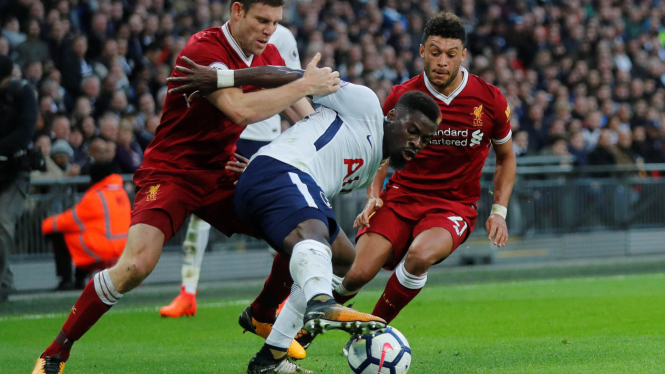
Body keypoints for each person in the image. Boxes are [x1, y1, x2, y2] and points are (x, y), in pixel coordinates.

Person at [31, 0, 340, 372]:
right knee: (135, 267)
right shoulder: (203, 51)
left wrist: (329, 140)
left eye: (275, 22)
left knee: (301, 232)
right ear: (237, 10)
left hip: (222, 171)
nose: (268, 30)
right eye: (262, 20)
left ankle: (260, 314)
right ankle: (56, 351)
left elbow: (300, 113)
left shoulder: (268, 53)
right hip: (172, 171)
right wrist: (303, 83)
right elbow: (240, 110)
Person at [169, 62, 441, 373]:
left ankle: (270, 359)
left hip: (276, 181)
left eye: (424, 141)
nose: (416, 143)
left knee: (342, 255)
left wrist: (264, 179)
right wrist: (222, 78)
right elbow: (295, 77)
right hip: (280, 172)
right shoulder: (365, 105)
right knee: (315, 235)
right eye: (413, 131)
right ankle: (321, 302)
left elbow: (311, 147)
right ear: (392, 117)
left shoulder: (369, 169)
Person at [328, 12, 517, 353]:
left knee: (419, 255)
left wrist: (499, 211)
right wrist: (373, 194)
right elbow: (381, 152)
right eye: (434, 52)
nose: (442, 61)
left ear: (463, 55)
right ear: (421, 52)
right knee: (355, 274)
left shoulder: (489, 99)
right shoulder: (402, 96)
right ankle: (302, 329)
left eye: (450, 53)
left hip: (453, 205)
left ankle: (370, 332)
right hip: (401, 197)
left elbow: (506, 157)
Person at [159, 22, 302, 320]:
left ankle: (279, 294)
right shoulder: (221, 37)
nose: (267, 26)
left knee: (271, 217)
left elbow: (292, 90)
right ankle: (188, 291)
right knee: (199, 217)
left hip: (264, 135)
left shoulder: (283, 37)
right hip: (232, 128)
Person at [42, 160, 130, 291]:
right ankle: (79, 279)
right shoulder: (120, 192)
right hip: (124, 246)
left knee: (59, 234)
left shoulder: (96, 196)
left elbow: (69, 221)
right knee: (80, 236)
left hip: (106, 248)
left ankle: (66, 280)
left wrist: (46, 225)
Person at [0, 54, 38, 303]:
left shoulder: (22, 93)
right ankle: (5, 282)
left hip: (14, 171)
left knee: (2, 224)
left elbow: (25, 133)